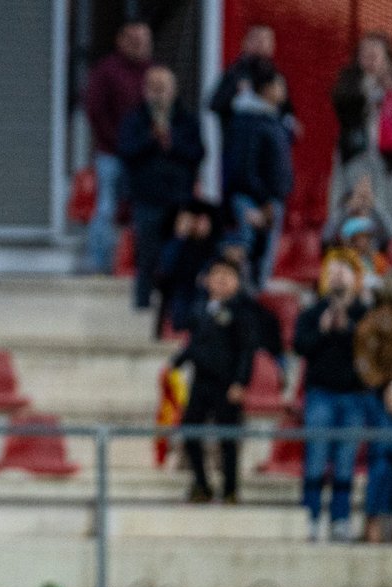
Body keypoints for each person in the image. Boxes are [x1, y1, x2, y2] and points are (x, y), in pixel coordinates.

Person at [294, 257, 372, 542]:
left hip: (354, 396)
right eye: (333, 272)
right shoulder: (312, 312)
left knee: (345, 461)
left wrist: (348, 329)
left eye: (344, 272)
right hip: (320, 394)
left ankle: (340, 518)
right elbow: (300, 346)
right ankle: (311, 516)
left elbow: (371, 349)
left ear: (356, 278)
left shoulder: (365, 314)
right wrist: (323, 330)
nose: (338, 277)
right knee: (315, 457)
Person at [172, 257, 258, 504]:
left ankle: (230, 488)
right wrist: (178, 362)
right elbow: (194, 343)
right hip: (201, 382)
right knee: (190, 430)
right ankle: (201, 483)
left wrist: (240, 382)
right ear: (207, 280)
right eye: (216, 274)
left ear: (237, 281)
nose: (221, 279)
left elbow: (246, 350)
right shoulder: (200, 309)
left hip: (227, 383)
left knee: (228, 438)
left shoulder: (242, 311)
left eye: (228, 275)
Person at [118, 65, 204, 311]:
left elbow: (198, 153)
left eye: (162, 88)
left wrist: (171, 142)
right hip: (146, 199)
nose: (157, 94)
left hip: (178, 198)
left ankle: (173, 310)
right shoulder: (135, 119)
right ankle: (142, 306)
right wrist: (151, 139)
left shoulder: (186, 119)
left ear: (173, 90)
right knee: (146, 257)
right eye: (152, 88)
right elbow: (126, 151)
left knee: (177, 256)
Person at [82, 20, 152, 275]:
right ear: (120, 41)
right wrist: (118, 142)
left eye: (143, 40)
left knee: (143, 211)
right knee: (106, 208)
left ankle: (139, 266)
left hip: (143, 156)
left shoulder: (152, 73)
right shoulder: (107, 71)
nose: (139, 45)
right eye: (134, 40)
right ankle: (99, 266)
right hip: (111, 153)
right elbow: (95, 110)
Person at [331, 33, 392, 250]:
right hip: (359, 159)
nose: (370, 59)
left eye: (375, 54)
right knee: (364, 209)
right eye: (365, 54)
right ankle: (364, 257)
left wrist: (391, 90)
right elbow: (342, 107)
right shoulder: (351, 83)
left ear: (387, 58)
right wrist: (368, 89)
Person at [354, 269, 392, 543]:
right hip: (381, 398)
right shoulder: (377, 319)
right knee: (382, 458)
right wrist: (384, 387)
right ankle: (373, 519)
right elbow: (364, 358)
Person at [222, 70, 292, 290]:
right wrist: (263, 200)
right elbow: (244, 167)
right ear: (266, 89)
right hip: (252, 201)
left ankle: (254, 298)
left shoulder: (273, 119)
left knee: (262, 265)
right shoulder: (248, 120)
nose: (284, 91)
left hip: (269, 200)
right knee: (246, 258)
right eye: (279, 86)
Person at [155, 200, 220, 333]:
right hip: (180, 289)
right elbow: (167, 268)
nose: (199, 225)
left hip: (205, 290)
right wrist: (180, 236)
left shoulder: (215, 246)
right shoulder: (176, 244)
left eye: (204, 221)